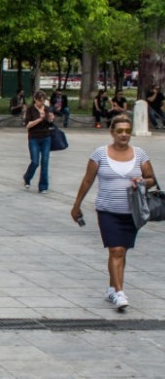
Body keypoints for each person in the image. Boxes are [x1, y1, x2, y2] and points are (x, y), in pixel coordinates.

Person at [70, 114, 156, 311]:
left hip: (131, 213)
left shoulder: (140, 154)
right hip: (107, 210)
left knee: (122, 251)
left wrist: (142, 181)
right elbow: (87, 180)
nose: (124, 135)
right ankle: (119, 293)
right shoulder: (100, 154)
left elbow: (151, 178)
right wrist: (77, 205)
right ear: (112, 133)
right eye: (120, 131)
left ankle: (112, 288)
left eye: (127, 131)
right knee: (115, 250)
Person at [23, 90, 56, 193]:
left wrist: (50, 120)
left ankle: (43, 186)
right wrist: (39, 119)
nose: (42, 103)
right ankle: (27, 177)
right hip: (34, 138)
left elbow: (50, 124)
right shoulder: (30, 109)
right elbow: (28, 125)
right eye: (40, 101)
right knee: (35, 161)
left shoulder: (47, 109)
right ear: (35, 100)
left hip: (46, 137)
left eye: (43, 100)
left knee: (45, 162)